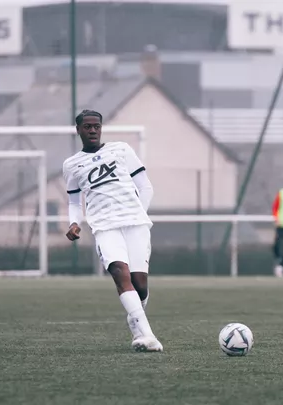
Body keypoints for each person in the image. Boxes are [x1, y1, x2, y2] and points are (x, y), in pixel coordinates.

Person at [62, 109, 163, 353]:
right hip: (104, 226)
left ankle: (135, 320)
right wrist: (74, 223)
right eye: (87, 127)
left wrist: (140, 213)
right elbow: (75, 202)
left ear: (101, 128)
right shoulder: (72, 165)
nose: (93, 130)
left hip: (136, 224)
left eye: (96, 126)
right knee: (120, 272)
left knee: (140, 286)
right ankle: (148, 336)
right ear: (78, 130)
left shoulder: (122, 149)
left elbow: (145, 186)